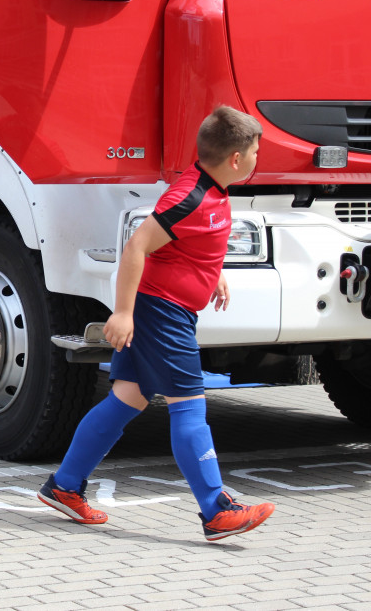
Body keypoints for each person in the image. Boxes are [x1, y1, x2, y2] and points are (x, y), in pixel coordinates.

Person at [36, 106, 275, 541]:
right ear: (236, 159)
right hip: (162, 315)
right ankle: (216, 510)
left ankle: (65, 486)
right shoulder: (190, 197)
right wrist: (122, 313)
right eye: (257, 151)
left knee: (127, 399)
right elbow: (136, 247)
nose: (261, 157)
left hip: (166, 309)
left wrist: (212, 272)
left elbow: (189, 243)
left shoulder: (213, 188)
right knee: (189, 407)